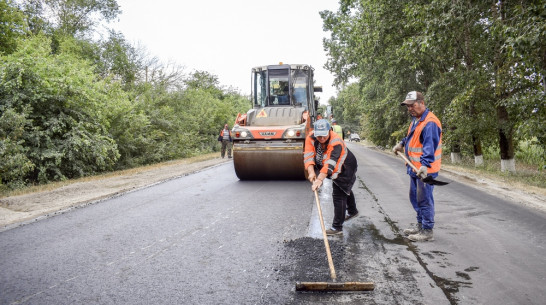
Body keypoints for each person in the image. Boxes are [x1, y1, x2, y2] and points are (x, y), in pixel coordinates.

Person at [393, 91, 442, 242]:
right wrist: (401, 143)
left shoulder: (430, 123)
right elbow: (411, 137)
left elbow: (429, 147)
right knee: (415, 197)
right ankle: (420, 224)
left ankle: (427, 230)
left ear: (421, 103)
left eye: (412, 105)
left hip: (424, 170)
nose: (410, 109)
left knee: (424, 199)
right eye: (407, 106)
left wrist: (425, 166)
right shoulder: (417, 120)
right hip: (414, 167)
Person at [304, 119, 359, 235]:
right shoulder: (310, 138)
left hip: (346, 166)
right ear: (315, 133)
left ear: (329, 131)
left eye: (324, 135)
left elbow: (330, 164)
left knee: (339, 194)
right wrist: (311, 172)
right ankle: (353, 211)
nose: (322, 138)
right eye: (319, 136)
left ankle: (337, 227)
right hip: (334, 166)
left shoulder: (336, 142)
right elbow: (309, 156)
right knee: (344, 188)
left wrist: (319, 179)